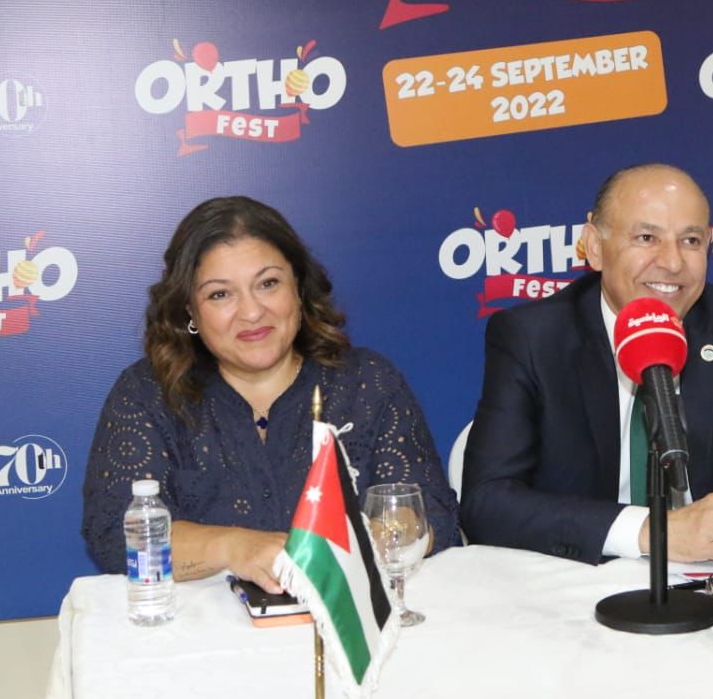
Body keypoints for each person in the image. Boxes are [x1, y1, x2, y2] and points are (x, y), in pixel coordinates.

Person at [460, 164, 713, 564]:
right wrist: (652, 531)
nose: (673, 263)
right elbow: (487, 501)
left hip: (710, 574)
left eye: (690, 241)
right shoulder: (533, 337)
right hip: (584, 575)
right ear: (594, 247)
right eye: (647, 238)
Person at [81, 196, 458, 591]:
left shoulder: (367, 381)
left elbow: (430, 512)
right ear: (189, 311)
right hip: (203, 625)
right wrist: (235, 548)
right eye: (220, 294)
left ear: (299, 288)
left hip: (348, 617)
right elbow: (115, 533)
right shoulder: (148, 394)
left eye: (268, 284)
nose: (251, 312)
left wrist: (356, 545)